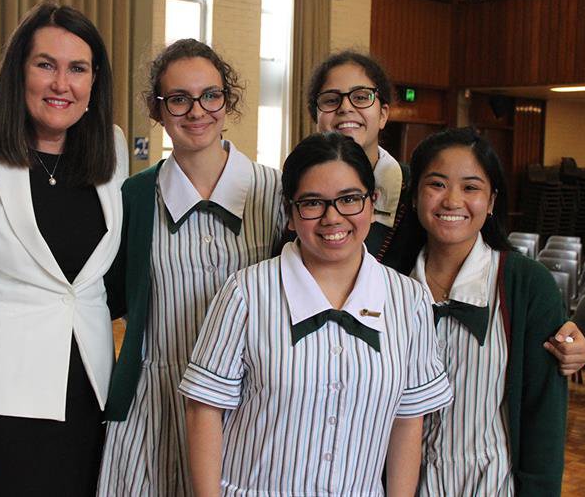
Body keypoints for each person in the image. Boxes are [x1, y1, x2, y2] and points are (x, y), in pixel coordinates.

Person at [180, 132, 453, 496]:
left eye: (349, 199)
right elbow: (204, 411)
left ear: (372, 204)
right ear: (290, 214)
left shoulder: (409, 301)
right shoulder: (246, 293)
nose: (332, 217)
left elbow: (407, 421)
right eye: (312, 203)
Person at [0, 3, 128, 495]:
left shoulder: (114, 148)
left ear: (94, 81)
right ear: (19, 71)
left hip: (88, 389)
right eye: (46, 65)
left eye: (77, 69)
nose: (61, 83)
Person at [307, 50, 585, 373]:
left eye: (361, 97)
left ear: (383, 113)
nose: (345, 107)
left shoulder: (422, 191)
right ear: (316, 113)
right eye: (331, 99)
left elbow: (486, 266)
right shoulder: (294, 190)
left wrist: (569, 338)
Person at [97, 39, 286, 496]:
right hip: (155, 404)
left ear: (227, 101)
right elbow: (110, 297)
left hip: (249, 405)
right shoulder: (135, 197)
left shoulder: (276, 193)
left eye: (210, 96)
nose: (196, 111)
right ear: (158, 110)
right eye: (178, 99)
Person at [406, 127, 567, 496]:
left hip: (493, 484)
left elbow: (545, 414)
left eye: (471, 187)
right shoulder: (388, 285)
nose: (452, 201)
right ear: (415, 196)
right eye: (437, 184)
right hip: (402, 484)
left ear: (492, 200)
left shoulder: (527, 285)